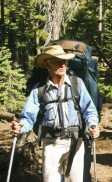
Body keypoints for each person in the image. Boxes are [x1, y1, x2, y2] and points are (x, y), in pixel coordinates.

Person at [11, 45, 100, 182]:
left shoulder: (77, 84)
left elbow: (89, 109)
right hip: (51, 144)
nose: (62, 64)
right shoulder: (39, 90)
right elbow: (28, 117)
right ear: (48, 64)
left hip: (76, 142)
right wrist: (21, 126)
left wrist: (93, 125)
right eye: (57, 61)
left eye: (64, 61)